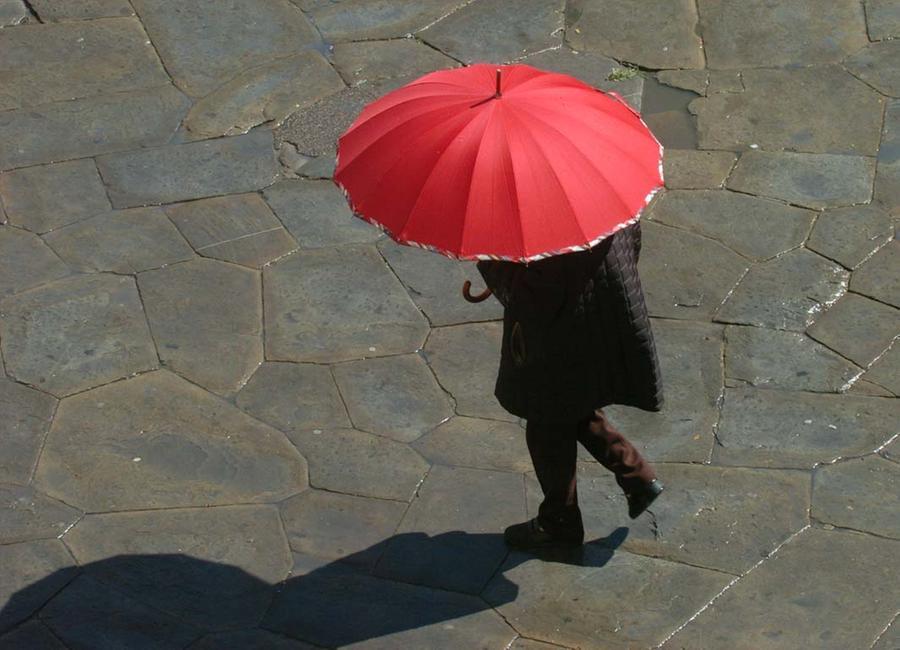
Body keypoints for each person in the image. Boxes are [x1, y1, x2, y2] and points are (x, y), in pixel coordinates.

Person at [473, 221, 664, 549]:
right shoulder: (601, 195)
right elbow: (632, 240)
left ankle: (558, 522)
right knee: (571, 403)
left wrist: (492, 263)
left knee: (546, 419)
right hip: (602, 309)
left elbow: (532, 296)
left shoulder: (547, 226)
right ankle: (635, 475)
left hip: (563, 329)